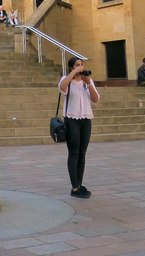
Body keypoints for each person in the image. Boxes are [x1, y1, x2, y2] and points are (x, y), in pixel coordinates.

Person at [58, 56, 100, 199]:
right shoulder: (67, 79)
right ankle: (74, 187)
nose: (81, 67)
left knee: (82, 153)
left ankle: (79, 185)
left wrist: (88, 83)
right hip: (72, 120)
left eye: (82, 65)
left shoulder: (86, 82)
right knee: (74, 152)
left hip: (86, 119)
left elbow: (95, 99)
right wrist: (73, 73)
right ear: (71, 67)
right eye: (77, 65)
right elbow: (62, 87)